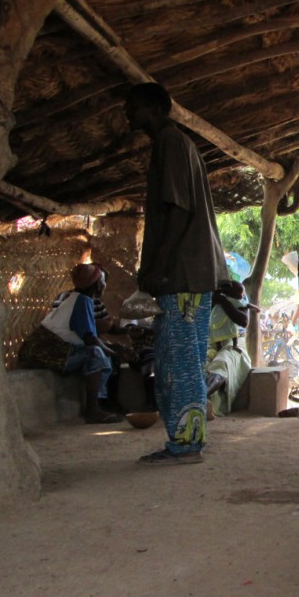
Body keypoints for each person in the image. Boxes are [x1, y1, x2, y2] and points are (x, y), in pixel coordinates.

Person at [125, 82, 229, 465]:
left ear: (154, 108)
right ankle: (185, 439)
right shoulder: (179, 144)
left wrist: (157, 266)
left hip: (182, 273)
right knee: (176, 359)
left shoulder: (170, 142)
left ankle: (186, 445)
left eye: (132, 107)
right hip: (188, 273)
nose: (127, 114)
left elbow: (178, 210)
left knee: (181, 362)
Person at [18, 263, 126, 425]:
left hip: (40, 349)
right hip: (46, 350)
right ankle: (93, 410)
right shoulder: (82, 301)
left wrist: (113, 349)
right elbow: (90, 340)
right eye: (102, 281)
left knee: (98, 352)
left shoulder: (75, 299)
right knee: (95, 354)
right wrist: (115, 351)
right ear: (97, 284)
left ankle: (102, 405)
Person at [204, 276, 252, 416]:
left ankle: (201, 398)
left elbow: (243, 321)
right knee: (203, 365)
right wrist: (216, 300)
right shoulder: (210, 301)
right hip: (212, 344)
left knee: (222, 362)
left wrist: (223, 301)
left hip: (235, 343)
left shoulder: (238, 302)